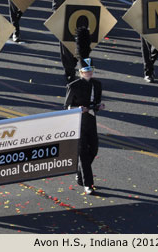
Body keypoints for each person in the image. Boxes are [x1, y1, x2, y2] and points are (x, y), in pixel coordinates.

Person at [64, 27, 105, 195]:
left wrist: (99, 107)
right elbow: (66, 106)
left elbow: (96, 102)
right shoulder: (73, 86)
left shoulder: (97, 85)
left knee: (93, 150)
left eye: (90, 71)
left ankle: (80, 174)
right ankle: (88, 184)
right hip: (78, 122)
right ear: (80, 72)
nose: (88, 73)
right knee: (82, 153)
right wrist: (77, 109)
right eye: (85, 71)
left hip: (91, 121)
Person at [52, 0, 78, 83]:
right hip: (65, 11)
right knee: (66, 43)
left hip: (84, 9)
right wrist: (56, 10)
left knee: (83, 44)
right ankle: (69, 71)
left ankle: (73, 64)